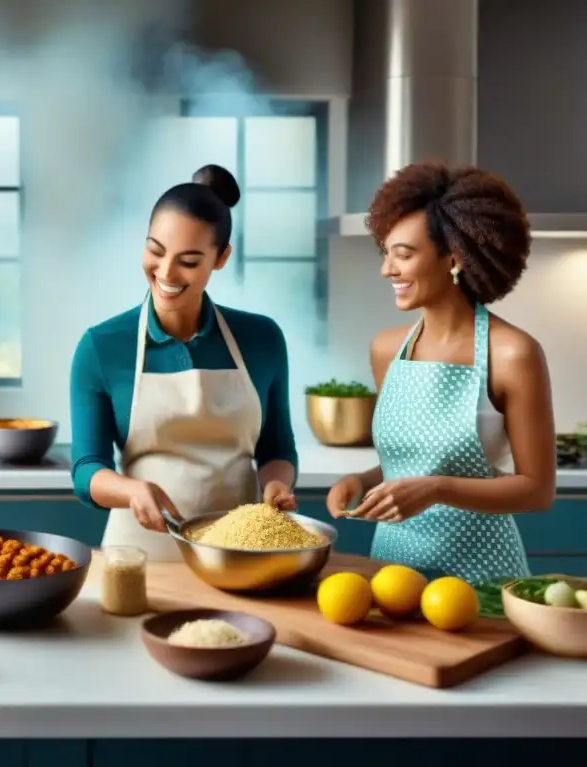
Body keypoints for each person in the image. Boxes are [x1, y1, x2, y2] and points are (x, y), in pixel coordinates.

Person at [325, 162, 557, 583]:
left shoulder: (513, 354)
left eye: (404, 255)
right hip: (393, 569)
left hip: (480, 576)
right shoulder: (387, 349)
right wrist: (360, 481)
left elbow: (538, 490)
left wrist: (437, 489)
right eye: (386, 253)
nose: (387, 270)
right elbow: (408, 464)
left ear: (454, 258)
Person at [69, 164, 299, 561]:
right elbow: (86, 469)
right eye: (155, 251)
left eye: (189, 262)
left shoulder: (262, 339)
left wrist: (276, 484)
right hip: (139, 558)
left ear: (221, 258)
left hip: (238, 556)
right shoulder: (102, 346)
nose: (166, 273)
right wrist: (132, 490)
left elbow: (277, 447)